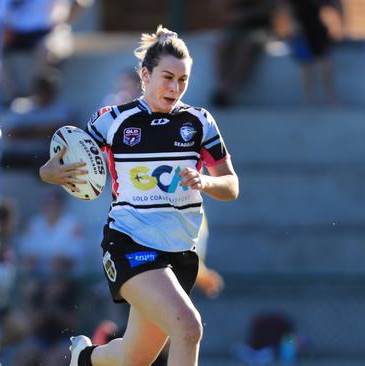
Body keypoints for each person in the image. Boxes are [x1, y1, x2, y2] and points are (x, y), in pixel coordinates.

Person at [38, 25, 240, 366]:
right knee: (188, 329)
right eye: (167, 77)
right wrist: (51, 173)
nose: (175, 88)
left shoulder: (200, 122)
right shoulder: (113, 120)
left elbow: (231, 186)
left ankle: (84, 358)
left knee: (135, 358)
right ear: (145, 75)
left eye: (183, 80)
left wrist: (205, 183)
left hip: (179, 251)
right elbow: (56, 163)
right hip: (129, 243)